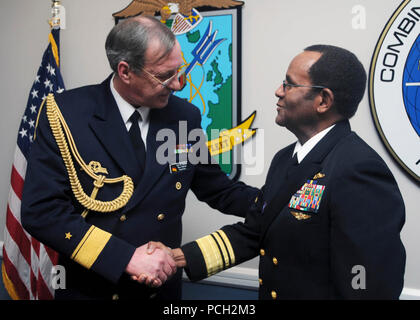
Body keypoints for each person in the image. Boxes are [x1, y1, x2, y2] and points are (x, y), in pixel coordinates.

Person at [21, 16, 259, 300]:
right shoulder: (65, 114)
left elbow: (218, 189)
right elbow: (42, 211)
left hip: (160, 291)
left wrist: (276, 201)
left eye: (178, 70)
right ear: (125, 71)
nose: (178, 84)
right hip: (93, 288)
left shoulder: (184, 116)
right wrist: (125, 258)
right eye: (164, 76)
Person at [151, 44, 406, 299]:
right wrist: (176, 257)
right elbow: (256, 230)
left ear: (323, 100)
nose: (278, 92)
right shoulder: (285, 159)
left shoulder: (358, 169)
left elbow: (369, 284)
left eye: (289, 85)